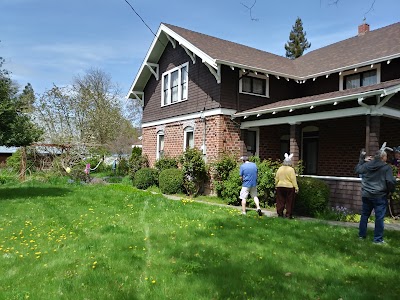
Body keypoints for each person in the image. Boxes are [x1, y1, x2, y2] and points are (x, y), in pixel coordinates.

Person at [355, 146, 396, 244]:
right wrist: (391, 191)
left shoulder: (367, 165)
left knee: (364, 215)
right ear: (383, 158)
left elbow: (357, 170)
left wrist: (362, 160)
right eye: (386, 157)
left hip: (366, 195)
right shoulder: (386, 168)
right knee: (379, 217)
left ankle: (361, 235)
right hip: (379, 196)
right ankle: (378, 239)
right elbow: (390, 181)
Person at [275, 153, 299, 219]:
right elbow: (293, 179)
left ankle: (280, 214)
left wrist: (276, 185)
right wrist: (296, 187)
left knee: (280, 201)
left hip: (280, 186)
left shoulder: (280, 169)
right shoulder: (291, 170)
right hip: (289, 187)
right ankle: (288, 215)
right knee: (289, 202)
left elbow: (276, 178)